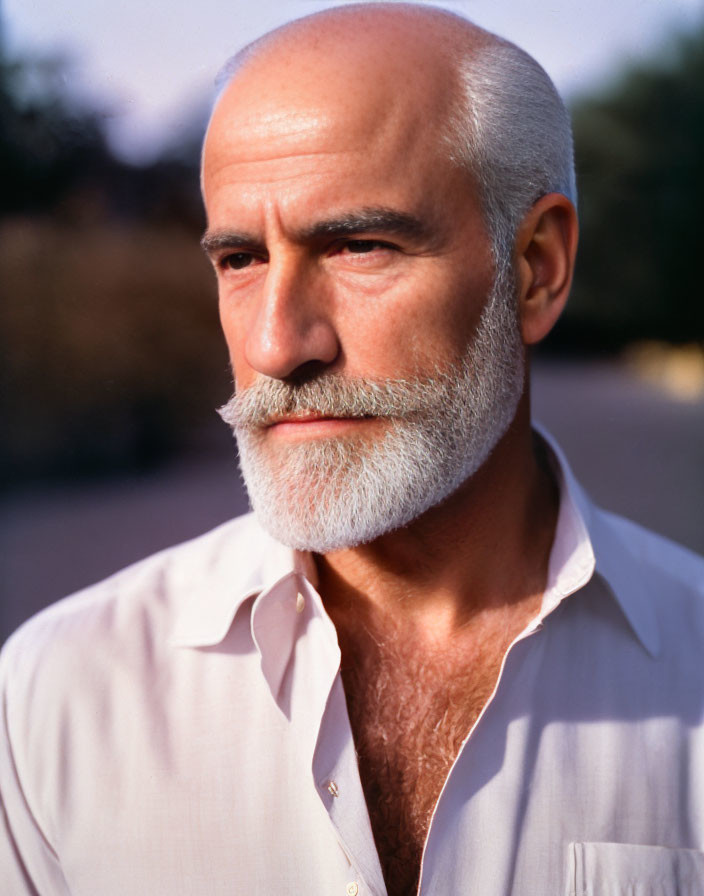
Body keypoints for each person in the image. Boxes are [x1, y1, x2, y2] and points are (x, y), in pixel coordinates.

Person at [1, 3, 703, 894]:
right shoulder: (57, 694)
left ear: (536, 269)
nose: (274, 346)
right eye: (240, 260)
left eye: (358, 245)